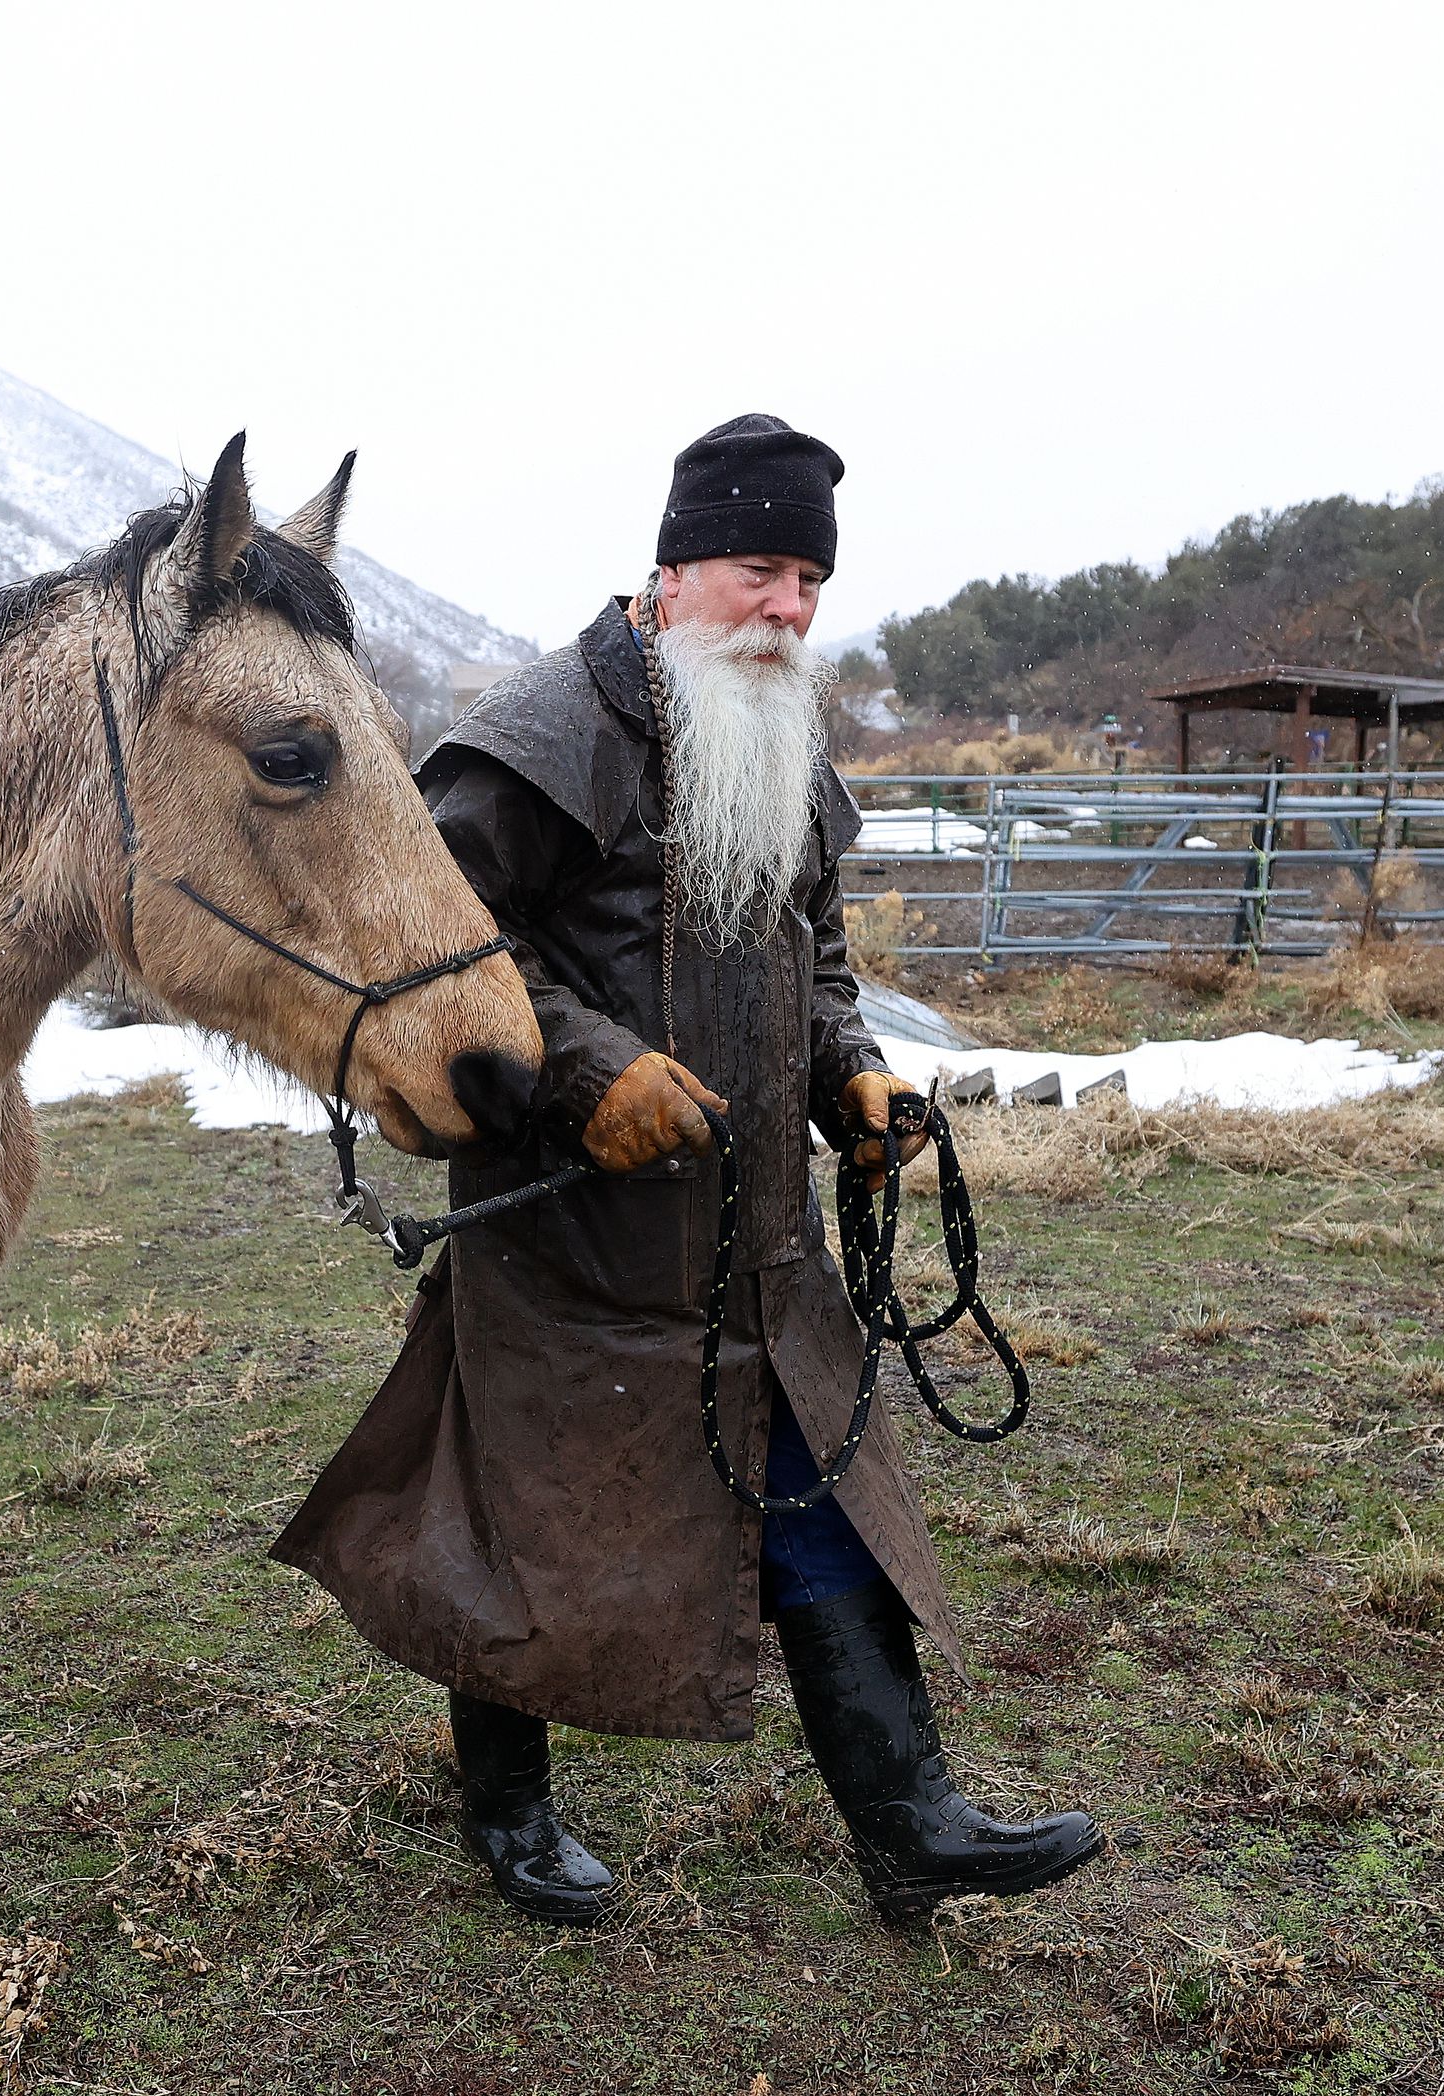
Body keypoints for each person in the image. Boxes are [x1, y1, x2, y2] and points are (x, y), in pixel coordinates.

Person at [275, 415, 1103, 1927]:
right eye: (759, 570)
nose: (787, 609)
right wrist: (590, 1071)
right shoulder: (544, 735)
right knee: (520, 1523)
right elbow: (441, 942)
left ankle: (908, 1820)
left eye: (809, 579)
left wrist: (849, 1069)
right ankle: (507, 1810)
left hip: (752, 1244)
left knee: (818, 1491)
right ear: (675, 569)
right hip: (571, 1246)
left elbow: (812, 943)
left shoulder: (778, 725)